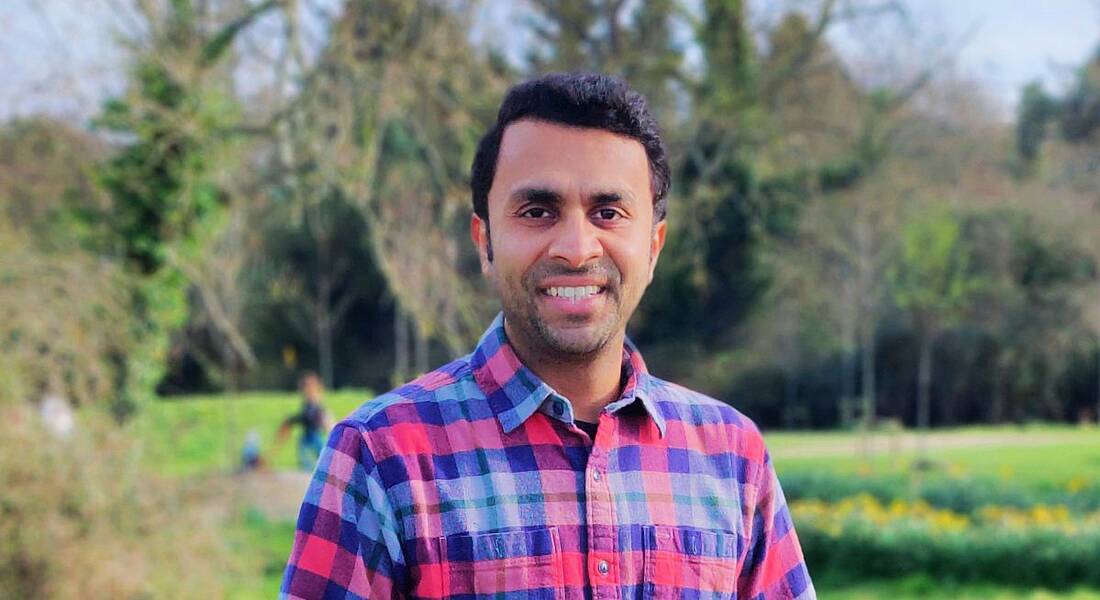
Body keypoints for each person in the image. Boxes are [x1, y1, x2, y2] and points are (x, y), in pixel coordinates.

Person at [281, 72, 815, 600]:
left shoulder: (732, 456)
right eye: (538, 211)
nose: (577, 248)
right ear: (484, 240)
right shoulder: (381, 456)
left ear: (653, 246)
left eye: (608, 212)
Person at [278, 372, 330, 470]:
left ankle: (321, 468)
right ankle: (308, 468)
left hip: (314, 432)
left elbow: (311, 415)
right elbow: (305, 415)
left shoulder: (316, 400)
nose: (307, 389)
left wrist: (292, 420)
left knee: (321, 453)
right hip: (307, 432)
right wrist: (292, 420)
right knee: (303, 453)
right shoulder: (307, 401)